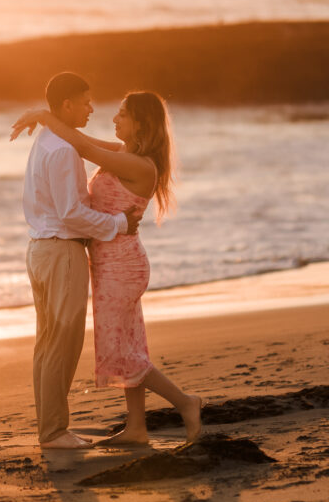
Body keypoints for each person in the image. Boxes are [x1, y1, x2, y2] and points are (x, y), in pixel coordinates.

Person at [11, 89, 205, 446]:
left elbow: (81, 148)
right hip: (110, 261)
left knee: (121, 351)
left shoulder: (139, 165)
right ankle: (136, 427)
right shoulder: (124, 154)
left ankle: (185, 403)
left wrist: (44, 113)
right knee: (131, 344)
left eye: (122, 114)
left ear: (141, 124)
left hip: (121, 265)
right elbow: (81, 139)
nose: (114, 119)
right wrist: (47, 116)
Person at [18, 72, 144, 449]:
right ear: (68, 105)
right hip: (62, 251)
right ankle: (55, 432)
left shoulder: (48, 141)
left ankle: (50, 429)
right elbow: (71, 213)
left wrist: (43, 115)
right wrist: (119, 222)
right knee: (63, 344)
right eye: (86, 102)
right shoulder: (62, 150)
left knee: (47, 343)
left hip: (42, 249)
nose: (92, 108)